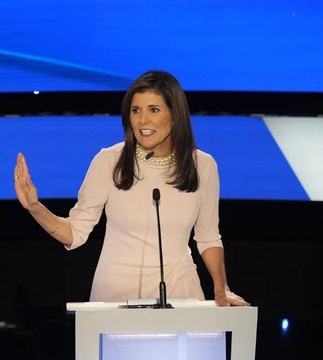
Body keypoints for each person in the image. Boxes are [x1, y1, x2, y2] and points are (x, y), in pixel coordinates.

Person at [13, 70, 247, 307]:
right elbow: (75, 233)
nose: (142, 120)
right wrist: (35, 207)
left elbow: (208, 238)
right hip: (116, 298)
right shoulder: (109, 160)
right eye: (136, 110)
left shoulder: (203, 166)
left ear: (175, 115)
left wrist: (221, 288)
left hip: (178, 294)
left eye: (153, 110)